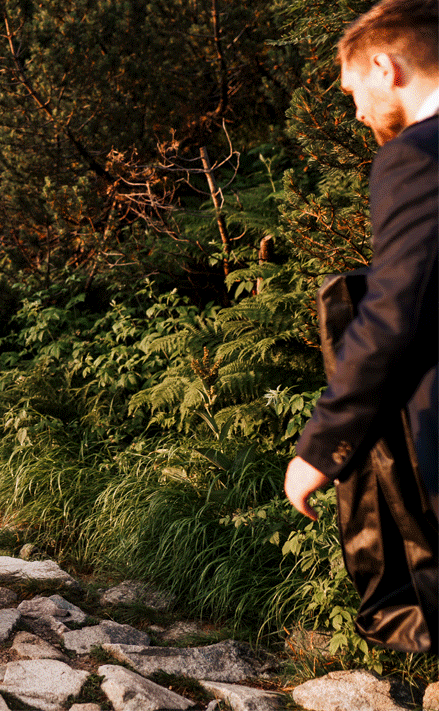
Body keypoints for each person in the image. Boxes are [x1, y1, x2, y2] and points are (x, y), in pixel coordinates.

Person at [284, 0, 437, 650]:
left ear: (384, 67)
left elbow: (394, 313)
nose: (356, 114)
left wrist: (322, 447)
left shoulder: (417, 156)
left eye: (353, 93)